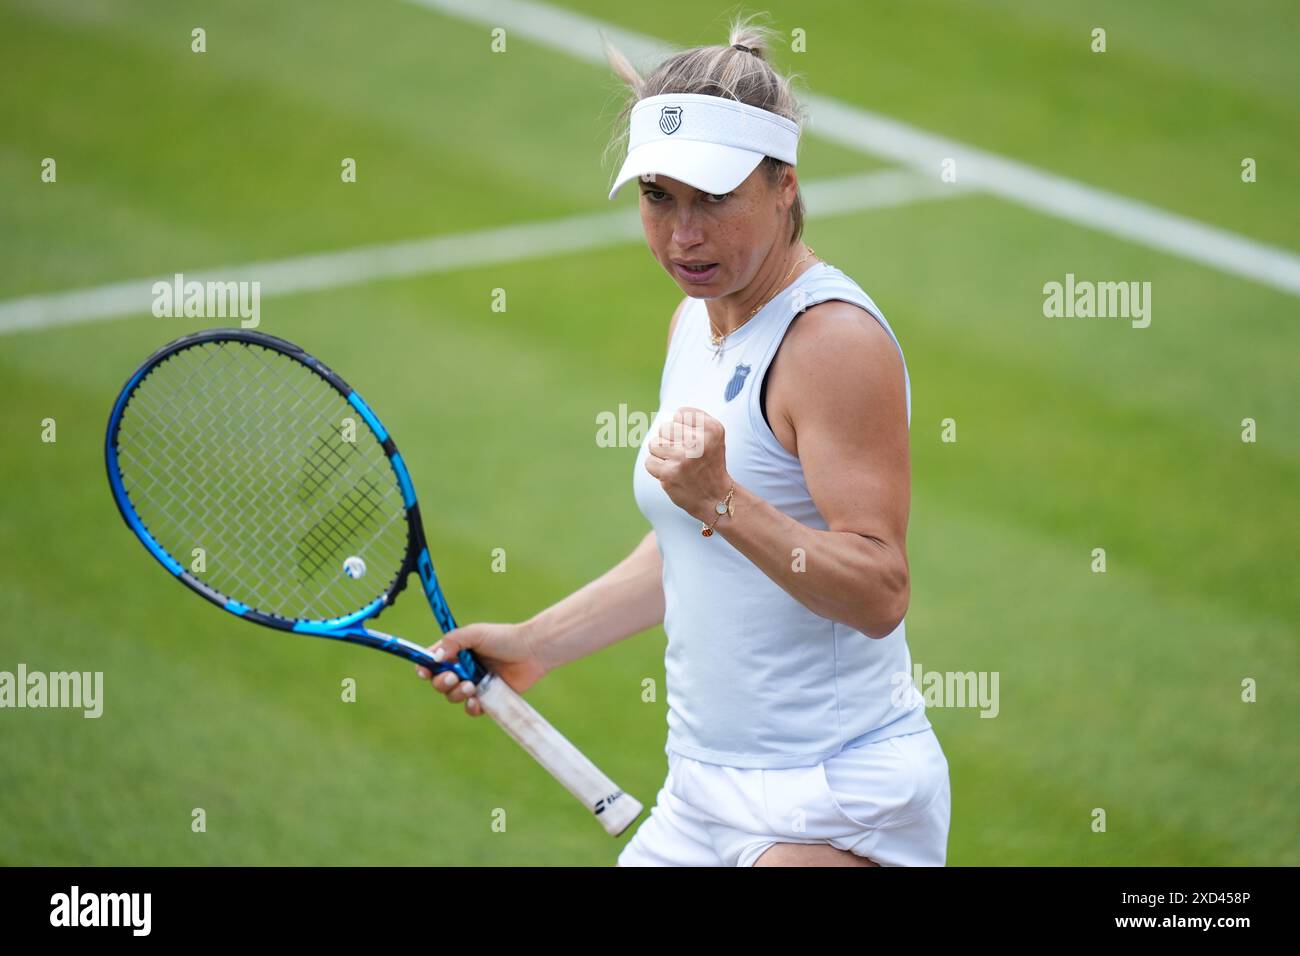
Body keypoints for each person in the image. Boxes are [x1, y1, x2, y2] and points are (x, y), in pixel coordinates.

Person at [417, 14, 950, 867]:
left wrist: (723, 501)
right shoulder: (693, 321)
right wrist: (538, 642)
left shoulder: (832, 343)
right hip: (698, 794)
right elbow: (685, 550)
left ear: (783, 183)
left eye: (713, 199)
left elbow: (880, 591)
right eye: (658, 197)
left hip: (834, 796)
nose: (682, 235)